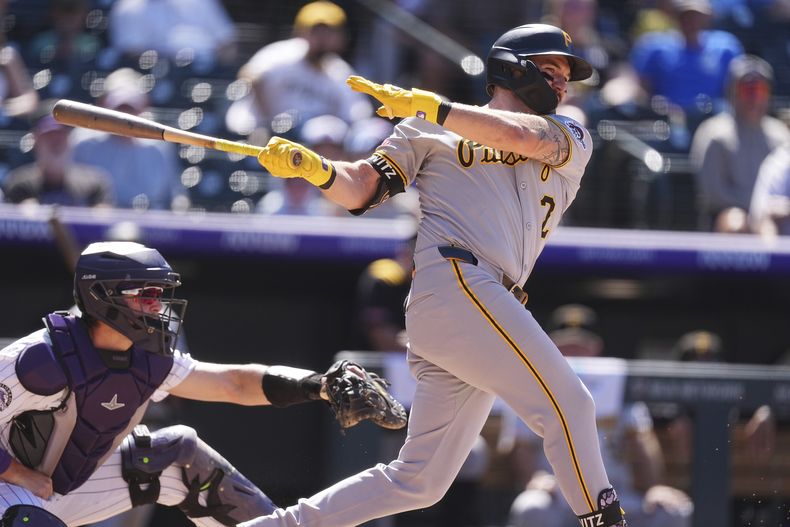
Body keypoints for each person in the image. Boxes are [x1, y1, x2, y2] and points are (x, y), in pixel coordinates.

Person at [250, 23, 626, 527]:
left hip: (486, 306)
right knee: (570, 406)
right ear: (512, 68)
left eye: (566, 74)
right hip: (456, 282)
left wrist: (434, 107)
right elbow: (361, 189)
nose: (562, 83)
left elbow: (515, 135)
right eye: (552, 69)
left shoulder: (570, 131)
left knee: (419, 481)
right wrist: (315, 169)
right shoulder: (424, 128)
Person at [0, 241, 406, 526]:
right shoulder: (40, 360)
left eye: (159, 294)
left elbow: (230, 384)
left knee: (179, 454)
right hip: (11, 490)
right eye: (145, 295)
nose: (157, 306)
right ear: (103, 296)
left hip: (56, 485)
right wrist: (17, 473)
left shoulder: (148, 358)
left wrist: (317, 386)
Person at [505, 304, 693, 527]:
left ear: (596, 347)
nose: (573, 352)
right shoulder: (533, 385)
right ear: (550, 346)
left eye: (580, 346)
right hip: (558, 495)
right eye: (565, 345)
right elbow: (521, 447)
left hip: (614, 494)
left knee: (672, 511)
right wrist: (533, 478)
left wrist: (653, 487)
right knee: (532, 508)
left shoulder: (618, 386)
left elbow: (642, 443)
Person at [225, 1, 372, 136]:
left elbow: (359, 114)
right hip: (253, 132)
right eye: (316, 31)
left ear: (341, 37)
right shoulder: (285, 52)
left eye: (329, 32)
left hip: (305, 143)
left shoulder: (339, 71)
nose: (322, 38)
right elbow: (249, 75)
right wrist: (268, 122)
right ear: (300, 31)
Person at [690, 54, 790, 231]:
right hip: (729, 219)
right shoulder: (714, 134)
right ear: (732, 93)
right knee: (735, 221)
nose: (753, 98)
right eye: (747, 90)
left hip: (774, 217)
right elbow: (713, 194)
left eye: (759, 90)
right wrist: (758, 208)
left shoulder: (781, 136)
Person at [71, 68, 184, 211]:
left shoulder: (159, 147)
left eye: (130, 109)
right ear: (104, 105)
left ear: (143, 107)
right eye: (119, 109)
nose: (125, 117)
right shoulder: (83, 144)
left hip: (151, 227)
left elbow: (175, 196)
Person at [629, 0, 744, 137]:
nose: (691, 22)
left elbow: (735, 90)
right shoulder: (654, 47)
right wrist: (660, 107)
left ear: (706, 17)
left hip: (715, 122)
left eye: (696, 16)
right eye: (686, 15)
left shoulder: (725, 47)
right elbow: (641, 90)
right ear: (676, 16)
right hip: (667, 126)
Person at [2, 101, 112, 207]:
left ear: (70, 139)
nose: (56, 142)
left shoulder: (94, 183)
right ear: (36, 140)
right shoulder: (19, 184)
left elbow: (103, 219)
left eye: (61, 135)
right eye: (49, 136)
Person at [749, 142, 790, 236]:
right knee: (766, 223)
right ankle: (771, 251)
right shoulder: (778, 163)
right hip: (783, 243)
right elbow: (758, 214)